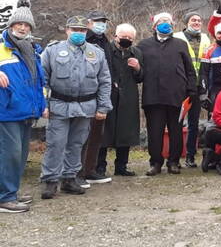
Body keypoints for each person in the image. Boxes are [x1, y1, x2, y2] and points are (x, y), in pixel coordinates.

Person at [40, 16, 112, 199]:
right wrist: (43, 104)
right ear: (67, 30)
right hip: (59, 105)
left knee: (76, 144)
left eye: (81, 30)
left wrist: (103, 107)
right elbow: (42, 80)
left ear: (86, 32)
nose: (78, 33)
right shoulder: (52, 51)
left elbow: (104, 81)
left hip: (85, 106)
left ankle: (69, 179)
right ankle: (50, 181)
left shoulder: (97, 53)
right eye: (74, 30)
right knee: (56, 144)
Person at [0, 0, 46, 212]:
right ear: (10, 25)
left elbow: (39, 82)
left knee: (19, 155)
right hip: (6, 110)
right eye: (18, 23)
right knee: (10, 153)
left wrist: (42, 105)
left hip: (27, 111)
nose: (22, 27)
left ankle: (12, 193)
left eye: (27, 25)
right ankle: (5, 198)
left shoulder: (32, 50)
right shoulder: (1, 47)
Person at [138, 12, 196, 176]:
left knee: (176, 131)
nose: (166, 24)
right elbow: (139, 71)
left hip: (176, 96)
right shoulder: (143, 45)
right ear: (155, 25)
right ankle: (155, 162)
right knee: (154, 132)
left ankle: (174, 162)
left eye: (168, 22)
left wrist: (191, 90)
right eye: (162, 22)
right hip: (153, 97)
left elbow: (190, 70)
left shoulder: (181, 44)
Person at [97, 23, 144, 177]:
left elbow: (141, 78)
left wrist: (138, 68)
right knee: (104, 132)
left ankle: (121, 166)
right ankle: (99, 167)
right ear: (115, 36)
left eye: (130, 38)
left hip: (128, 97)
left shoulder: (136, 52)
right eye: (124, 37)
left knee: (126, 132)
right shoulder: (105, 51)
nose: (127, 40)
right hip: (108, 95)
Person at [78, 10, 114, 186]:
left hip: (102, 94)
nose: (102, 24)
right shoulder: (85, 40)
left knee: (96, 136)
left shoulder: (104, 40)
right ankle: (77, 172)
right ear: (89, 22)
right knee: (81, 136)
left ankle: (89, 170)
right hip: (86, 94)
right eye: (98, 21)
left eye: (104, 21)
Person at [174, 11, 211, 168]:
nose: (197, 22)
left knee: (194, 123)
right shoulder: (177, 37)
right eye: (193, 20)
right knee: (177, 122)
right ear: (186, 22)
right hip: (180, 86)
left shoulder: (205, 38)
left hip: (197, 87)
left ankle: (190, 156)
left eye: (199, 20)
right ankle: (174, 156)